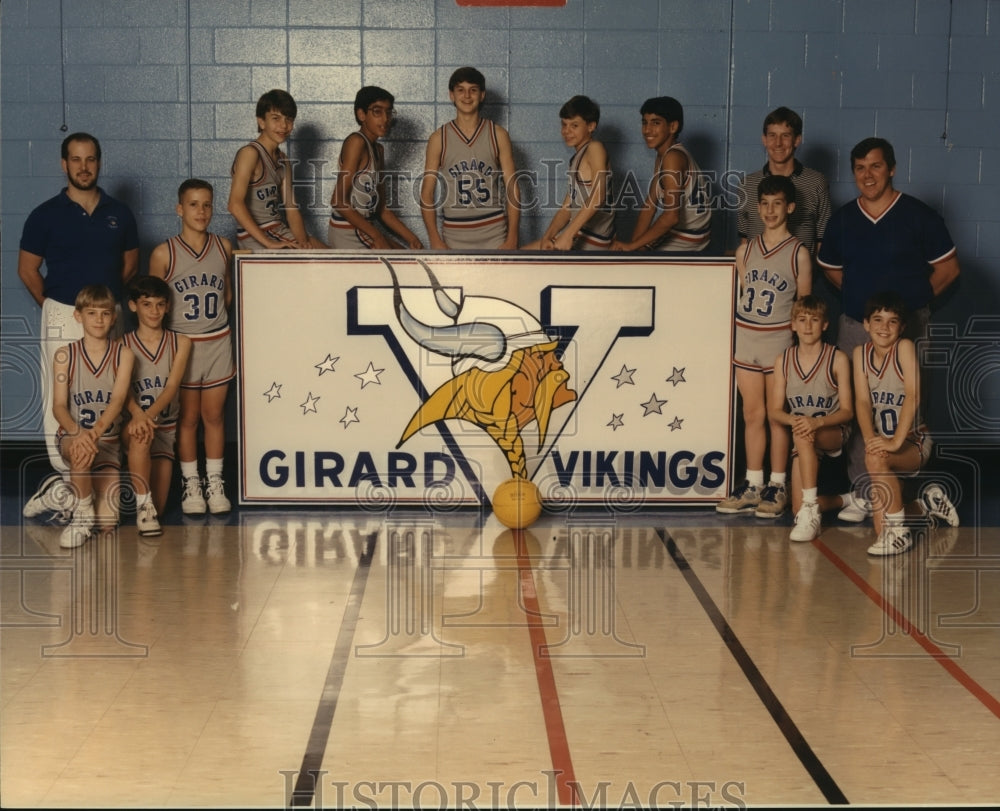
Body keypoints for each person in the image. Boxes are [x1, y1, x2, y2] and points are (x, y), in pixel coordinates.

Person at [817, 137, 961, 516]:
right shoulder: (844, 219)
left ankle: (907, 492)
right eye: (860, 168)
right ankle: (864, 491)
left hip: (908, 324)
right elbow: (830, 268)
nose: (868, 175)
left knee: (905, 405)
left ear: (892, 168)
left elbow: (949, 270)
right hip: (857, 325)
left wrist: (911, 305)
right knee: (856, 406)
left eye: (876, 166)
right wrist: (860, 303)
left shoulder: (919, 215)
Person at [19, 132, 139, 522]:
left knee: (106, 394)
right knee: (61, 398)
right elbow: (28, 269)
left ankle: (79, 487)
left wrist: (100, 311)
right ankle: (66, 481)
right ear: (64, 164)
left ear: (99, 163)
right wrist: (59, 308)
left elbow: (129, 266)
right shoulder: (44, 214)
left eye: (90, 159)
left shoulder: (119, 212)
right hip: (62, 312)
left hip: (106, 314)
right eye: (76, 159)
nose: (83, 166)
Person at [717, 174, 812, 518]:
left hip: (778, 343)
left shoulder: (799, 253)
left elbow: (804, 308)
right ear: (758, 208)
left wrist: (801, 352)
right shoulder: (746, 250)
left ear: (789, 208)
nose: (771, 210)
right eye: (765, 204)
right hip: (747, 339)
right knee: (751, 414)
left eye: (777, 204)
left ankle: (778, 484)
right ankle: (753, 483)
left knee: (776, 417)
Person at [149, 178, 235, 515]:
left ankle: (215, 483)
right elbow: (153, 305)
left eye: (207, 204)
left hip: (216, 341)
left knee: (214, 417)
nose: (201, 211)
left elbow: (226, 294)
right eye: (194, 204)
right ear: (179, 209)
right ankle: (191, 484)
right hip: (182, 345)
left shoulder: (224, 247)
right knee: (188, 419)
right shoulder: (163, 253)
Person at [852, 292, 959, 556]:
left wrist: (895, 442)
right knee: (880, 531)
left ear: (902, 327)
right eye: (877, 320)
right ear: (866, 324)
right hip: (884, 446)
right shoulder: (859, 354)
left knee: (876, 463)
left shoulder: (904, 347)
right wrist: (870, 441)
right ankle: (924, 505)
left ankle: (900, 535)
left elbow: (914, 395)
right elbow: (863, 403)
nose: (884, 327)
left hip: (914, 441)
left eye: (892, 321)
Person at [51, 285, 135, 548]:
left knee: (108, 524)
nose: (99, 319)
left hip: (108, 443)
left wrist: (95, 434)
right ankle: (82, 518)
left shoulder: (124, 354)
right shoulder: (65, 354)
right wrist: (80, 435)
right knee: (81, 452)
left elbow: (119, 400)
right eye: (91, 313)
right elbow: (59, 407)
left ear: (114, 317)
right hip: (73, 437)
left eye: (105, 313)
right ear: (78, 316)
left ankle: (60, 495)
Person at [768, 296, 854, 542]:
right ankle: (845, 499)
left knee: (803, 432)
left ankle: (809, 509)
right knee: (796, 510)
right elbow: (774, 410)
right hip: (805, 434)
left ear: (825, 325)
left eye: (814, 320)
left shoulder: (836, 359)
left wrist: (815, 423)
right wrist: (799, 420)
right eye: (802, 320)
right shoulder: (783, 360)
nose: (807, 326)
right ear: (792, 325)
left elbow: (848, 411)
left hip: (833, 430)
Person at [420, 67, 520, 250]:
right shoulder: (438, 139)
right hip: (454, 235)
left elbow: (512, 187)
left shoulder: (497, 134)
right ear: (451, 95)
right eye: (460, 90)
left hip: (494, 232)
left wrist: (512, 236)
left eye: (473, 90)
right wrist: (435, 239)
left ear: (482, 95)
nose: (467, 96)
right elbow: (427, 194)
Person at [122, 275, 192, 536]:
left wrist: (147, 416)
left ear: (168, 307)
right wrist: (138, 417)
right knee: (140, 437)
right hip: (133, 426)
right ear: (133, 306)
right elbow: (122, 392)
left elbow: (172, 387)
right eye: (146, 304)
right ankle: (142, 506)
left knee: (160, 508)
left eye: (160, 304)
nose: (154, 311)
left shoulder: (180, 342)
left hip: (164, 428)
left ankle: (138, 497)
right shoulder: (122, 345)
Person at [227, 89, 326, 251]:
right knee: (324, 260)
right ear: (261, 122)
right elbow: (234, 205)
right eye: (276, 118)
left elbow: (292, 210)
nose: (283, 126)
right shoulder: (250, 153)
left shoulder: (283, 160)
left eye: (288, 119)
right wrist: (269, 243)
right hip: (256, 235)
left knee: (330, 254)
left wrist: (303, 243)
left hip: (277, 230)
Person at [328, 86, 424, 250]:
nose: (385, 118)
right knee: (402, 265)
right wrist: (378, 236)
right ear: (361, 114)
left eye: (388, 112)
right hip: (347, 230)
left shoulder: (378, 150)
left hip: (364, 229)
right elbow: (338, 201)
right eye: (377, 112)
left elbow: (381, 209)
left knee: (408, 255)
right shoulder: (356, 142)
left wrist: (412, 238)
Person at [611, 96, 711, 252]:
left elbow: (671, 217)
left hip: (688, 238)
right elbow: (649, 206)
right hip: (684, 232)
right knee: (634, 256)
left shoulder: (673, 158)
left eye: (656, 123)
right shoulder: (664, 155)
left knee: (638, 262)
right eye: (645, 122)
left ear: (673, 127)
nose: (647, 130)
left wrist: (632, 246)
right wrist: (633, 249)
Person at [523, 95, 616, 251]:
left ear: (591, 126)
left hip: (595, 239)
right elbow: (566, 208)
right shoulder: (577, 158)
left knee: (517, 258)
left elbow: (598, 196)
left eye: (574, 125)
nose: (567, 131)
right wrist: (547, 236)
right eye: (564, 125)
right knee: (520, 255)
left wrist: (568, 235)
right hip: (581, 234)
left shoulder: (595, 148)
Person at [737, 106, 831, 255]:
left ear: (797, 140)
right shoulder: (747, 184)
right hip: (758, 275)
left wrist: (809, 274)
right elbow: (744, 238)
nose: (778, 143)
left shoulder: (816, 182)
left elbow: (822, 239)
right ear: (764, 140)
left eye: (785, 135)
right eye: (772, 135)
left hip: (801, 275)